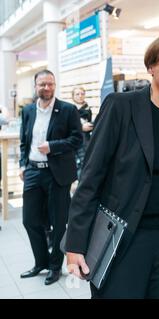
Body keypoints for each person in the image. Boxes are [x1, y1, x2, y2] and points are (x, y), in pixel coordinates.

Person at [64, 34, 159, 299]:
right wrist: (74, 245)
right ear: (151, 67)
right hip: (123, 236)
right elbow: (91, 175)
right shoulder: (121, 106)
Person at [19, 70, 82, 285]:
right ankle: (41, 262)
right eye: (42, 84)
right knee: (29, 220)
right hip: (34, 172)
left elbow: (77, 139)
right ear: (35, 86)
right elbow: (23, 141)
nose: (47, 88)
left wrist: (52, 147)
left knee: (58, 223)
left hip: (57, 174)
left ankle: (55, 267)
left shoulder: (67, 109)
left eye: (50, 84)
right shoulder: (27, 111)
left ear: (54, 85)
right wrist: (22, 164)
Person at [71, 87, 93, 178]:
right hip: (73, 139)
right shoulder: (70, 109)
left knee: (85, 162)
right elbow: (67, 125)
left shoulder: (87, 109)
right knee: (76, 163)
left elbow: (89, 124)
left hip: (85, 140)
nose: (80, 96)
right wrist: (81, 127)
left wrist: (90, 126)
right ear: (73, 96)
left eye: (82, 94)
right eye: (77, 94)